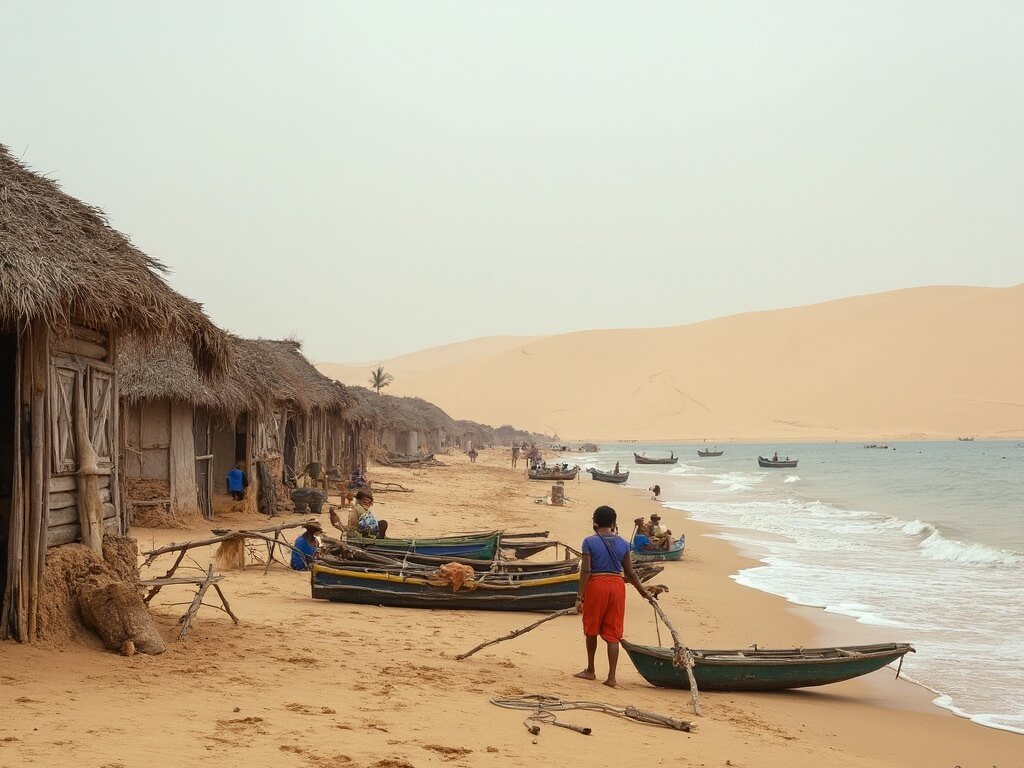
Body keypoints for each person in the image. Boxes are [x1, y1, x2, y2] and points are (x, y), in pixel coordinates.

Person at [575, 505, 650, 687]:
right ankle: (611, 677)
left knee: (591, 627)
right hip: (617, 586)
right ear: (614, 523)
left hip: (597, 584)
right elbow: (630, 574)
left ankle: (591, 670)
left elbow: (586, 570)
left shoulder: (589, 542)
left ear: (595, 523)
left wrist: (579, 596)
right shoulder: (624, 544)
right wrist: (644, 593)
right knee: (613, 631)